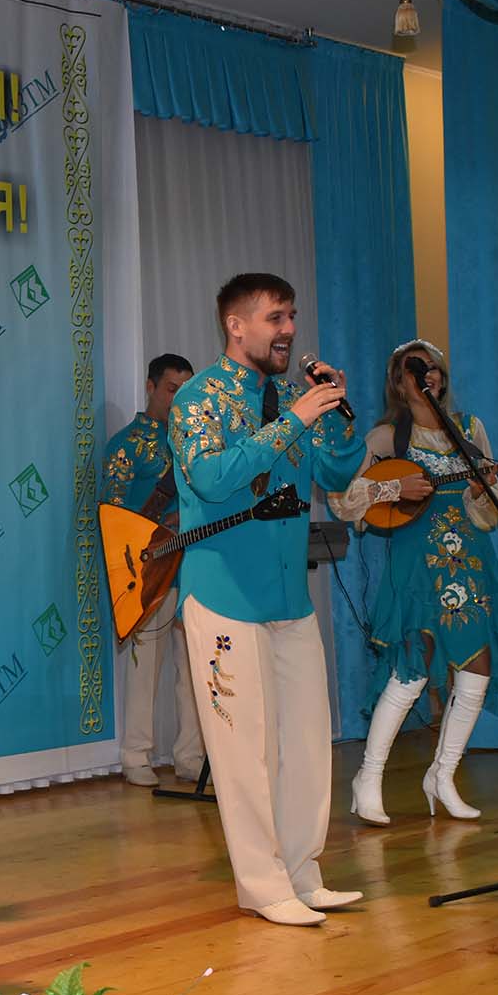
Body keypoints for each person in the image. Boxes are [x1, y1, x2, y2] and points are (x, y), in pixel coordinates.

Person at [168, 273, 365, 928]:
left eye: (292, 316)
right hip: (224, 596)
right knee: (244, 754)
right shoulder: (199, 398)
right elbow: (212, 477)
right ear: (236, 325)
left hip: (289, 597)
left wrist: (333, 416)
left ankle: (303, 873)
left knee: (306, 743)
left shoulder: (290, 398)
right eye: (276, 317)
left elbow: (338, 473)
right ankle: (262, 885)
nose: (289, 330)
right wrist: (294, 421)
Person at [329, 340, 498, 825]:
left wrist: (480, 491)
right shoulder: (386, 437)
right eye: (416, 369)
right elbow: (343, 501)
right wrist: (394, 487)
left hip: (468, 562)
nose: (427, 375)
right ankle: (368, 777)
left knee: (477, 669)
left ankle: (442, 775)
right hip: (417, 566)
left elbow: (488, 513)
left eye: (432, 368)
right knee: (412, 668)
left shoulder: (470, 430)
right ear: (399, 382)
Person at [103, 353, 206, 787]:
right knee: (144, 668)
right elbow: (112, 512)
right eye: (170, 389)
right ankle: (136, 755)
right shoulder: (127, 444)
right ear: (150, 387)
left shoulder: (198, 443)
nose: (178, 398)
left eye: (186, 390)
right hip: (149, 572)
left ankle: (190, 755)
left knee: (195, 670)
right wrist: (163, 525)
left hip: (195, 568)